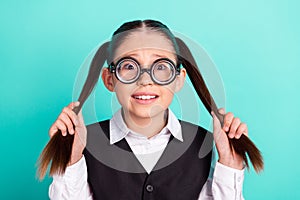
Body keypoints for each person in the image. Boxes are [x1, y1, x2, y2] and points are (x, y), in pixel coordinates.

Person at [48, 19, 247, 200]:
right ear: (110, 79)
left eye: (161, 67)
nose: (145, 80)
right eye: (129, 66)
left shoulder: (205, 145)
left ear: (178, 79)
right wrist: (71, 160)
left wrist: (229, 164)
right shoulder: (84, 144)